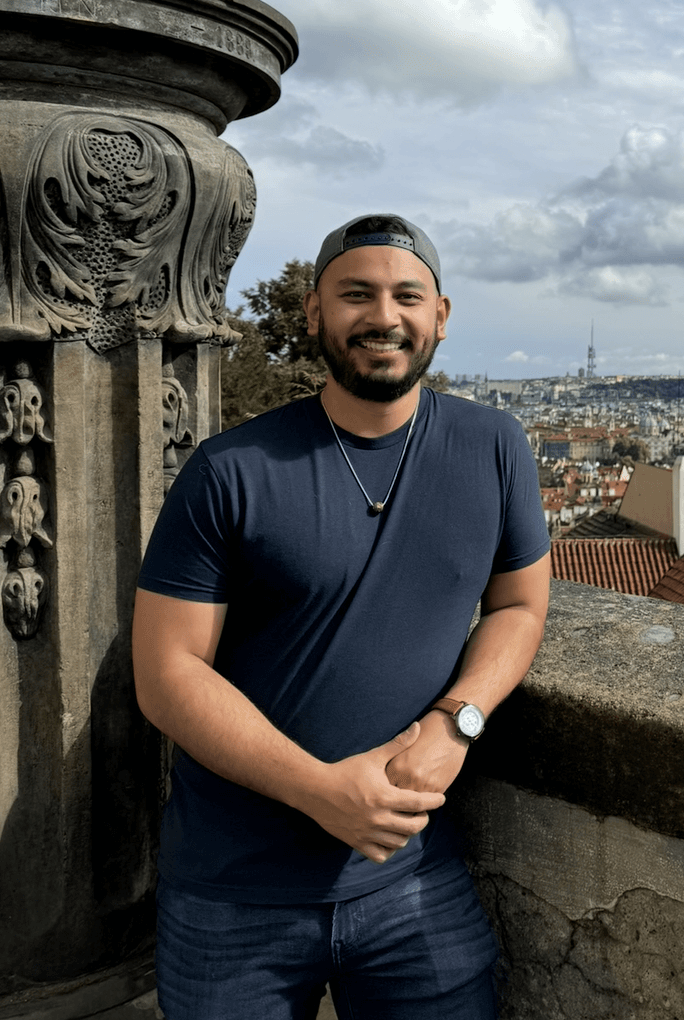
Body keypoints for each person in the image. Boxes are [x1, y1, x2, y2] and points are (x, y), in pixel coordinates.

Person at [133, 213, 551, 1019]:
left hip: (414, 877)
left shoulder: (493, 445)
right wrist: (321, 790)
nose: (383, 316)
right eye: (355, 294)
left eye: (406, 295)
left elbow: (520, 604)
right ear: (313, 312)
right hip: (234, 889)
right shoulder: (230, 469)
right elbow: (166, 673)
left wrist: (455, 723)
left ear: (440, 315)